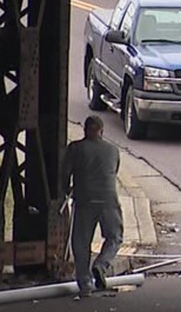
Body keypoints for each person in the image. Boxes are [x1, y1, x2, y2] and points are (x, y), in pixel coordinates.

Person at [61, 116, 123, 296]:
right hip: (109, 200)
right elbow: (113, 170)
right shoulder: (113, 150)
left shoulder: (76, 148)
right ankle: (101, 265)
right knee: (115, 236)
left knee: (81, 243)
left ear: (85, 130)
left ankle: (85, 284)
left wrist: (66, 190)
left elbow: (65, 173)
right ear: (101, 131)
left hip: (85, 200)